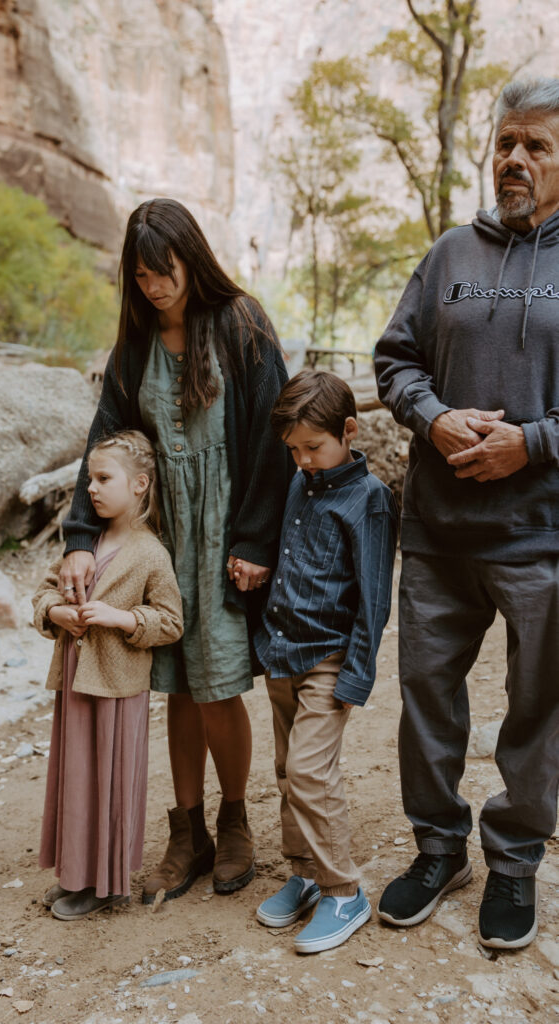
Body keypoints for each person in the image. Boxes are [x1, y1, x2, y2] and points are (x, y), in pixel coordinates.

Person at [59, 198, 291, 902]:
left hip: (225, 541)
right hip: (160, 547)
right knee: (178, 690)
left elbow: (273, 436)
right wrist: (78, 538)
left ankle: (235, 820)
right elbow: (105, 446)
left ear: (191, 259)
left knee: (218, 684)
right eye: (141, 274)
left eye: (165, 271)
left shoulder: (241, 323)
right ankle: (187, 831)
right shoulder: (133, 346)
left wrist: (255, 539)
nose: (155, 286)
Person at [374, 77, 559, 950]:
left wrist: (534, 443)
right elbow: (394, 359)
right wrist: (432, 416)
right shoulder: (449, 253)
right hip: (439, 532)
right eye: (505, 144)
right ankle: (438, 848)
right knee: (426, 702)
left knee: (535, 708)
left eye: (536, 147)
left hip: (539, 532)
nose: (513, 161)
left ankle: (514, 862)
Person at [253, 369, 397, 954]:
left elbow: (375, 596)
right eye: (294, 450)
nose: (303, 459)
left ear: (349, 431)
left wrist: (357, 673)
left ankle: (344, 890)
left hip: (330, 659)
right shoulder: (298, 484)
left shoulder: (370, 500)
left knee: (312, 772)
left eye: (314, 447)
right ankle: (306, 872)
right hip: (283, 653)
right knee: (289, 771)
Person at [33, 431, 183, 919]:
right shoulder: (84, 542)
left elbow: (171, 621)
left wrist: (122, 619)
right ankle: (76, 873)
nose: (91, 489)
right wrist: (55, 613)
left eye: (103, 479)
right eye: (89, 479)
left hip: (119, 686)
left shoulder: (150, 552)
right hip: (75, 678)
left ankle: (106, 882)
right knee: (75, 777)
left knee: (109, 781)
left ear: (140, 484)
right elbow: (44, 591)